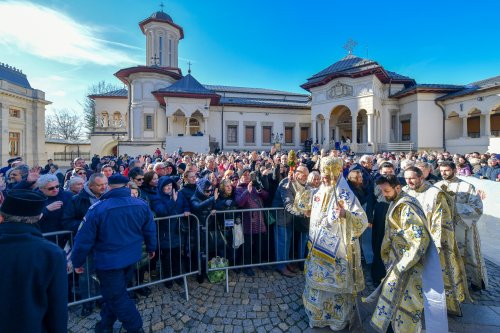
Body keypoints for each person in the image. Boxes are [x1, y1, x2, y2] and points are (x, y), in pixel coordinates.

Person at [71, 174, 157, 333]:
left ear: (109, 186)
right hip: (128, 258)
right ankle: (105, 326)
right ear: (126, 187)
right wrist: (152, 248)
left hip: (109, 262)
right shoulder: (140, 204)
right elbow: (150, 231)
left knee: (117, 296)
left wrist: (77, 261)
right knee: (114, 294)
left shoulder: (98, 208)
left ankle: (135, 327)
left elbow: (83, 239)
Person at [303, 157, 368, 331]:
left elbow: (361, 220)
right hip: (317, 248)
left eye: (328, 177)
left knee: (335, 287)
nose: (324, 179)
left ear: (337, 175)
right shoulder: (319, 191)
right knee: (317, 284)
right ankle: (318, 316)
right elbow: (305, 207)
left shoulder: (345, 194)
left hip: (338, 252)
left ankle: (337, 319)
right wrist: (307, 210)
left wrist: (345, 214)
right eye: (323, 175)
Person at [403, 166, 468, 319]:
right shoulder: (405, 191)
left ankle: (444, 306)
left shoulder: (435, 194)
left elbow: (441, 222)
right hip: (411, 243)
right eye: (406, 178)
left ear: (421, 177)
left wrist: (434, 246)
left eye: (412, 178)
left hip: (432, 244)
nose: (409, 181)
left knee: (439, 275)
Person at [0, 190, 68, 333]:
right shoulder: (51, 253)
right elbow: (57, 307)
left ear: (2, 217)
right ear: (39, 217)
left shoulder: (51, 253)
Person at [369, 175, 430, 333]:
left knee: (405, 299)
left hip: (408, 263)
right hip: (397, 258)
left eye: (386, 191)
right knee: (394, 295)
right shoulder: (397, 201)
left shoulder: (407, 206)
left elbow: (419, 239)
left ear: (398, 187)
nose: (384, 195)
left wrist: (403, 265)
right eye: (382, 191)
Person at [436, 161, 488, 291]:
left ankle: (475, 282)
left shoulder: (467, 187)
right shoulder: (436, 186)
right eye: (441, 170)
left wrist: (453, 207)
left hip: (464, 228)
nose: (443, 173)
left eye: (446, 170)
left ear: (454, 170)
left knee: (470, 254)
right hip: (443, 228)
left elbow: (477, 207)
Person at [272, 165, 310, 277]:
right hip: (281, 218)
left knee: (287, 242)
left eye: (307, 175)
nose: (306, 178)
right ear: (297, 173)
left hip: (290, 219)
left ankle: (285, 263)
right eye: (304, 175)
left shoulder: (301, 184)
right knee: (282, 242)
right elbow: (288, 205)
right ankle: (281, 267)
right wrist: (302, 213)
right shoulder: (286, 183)